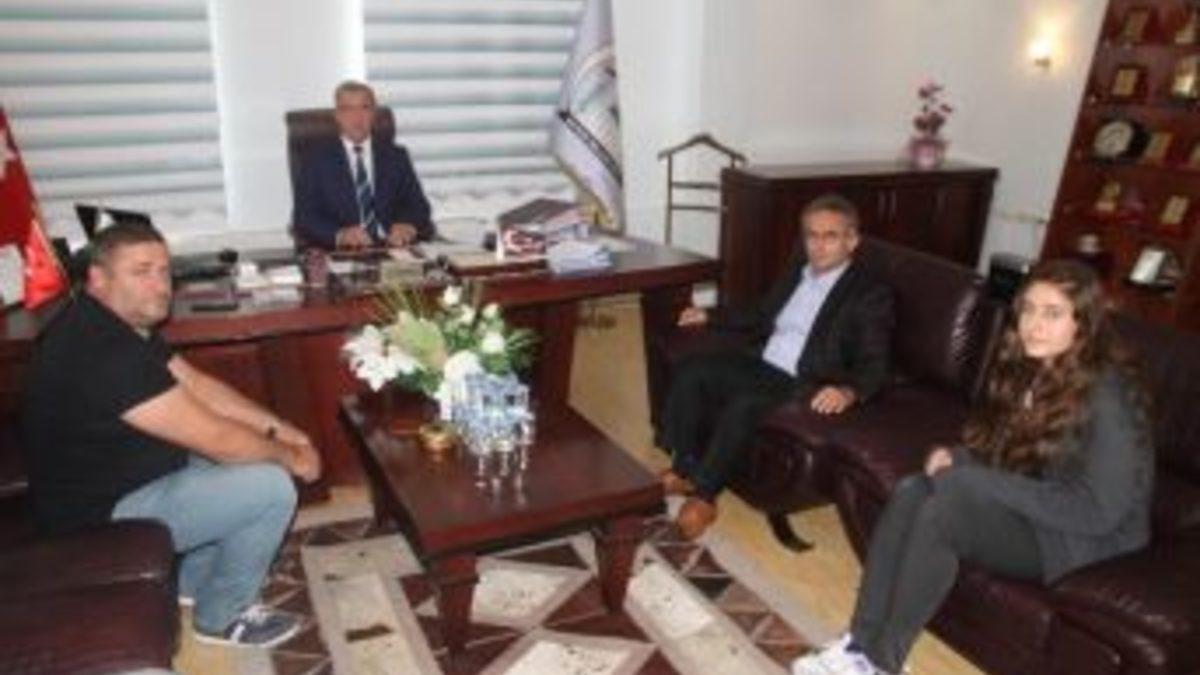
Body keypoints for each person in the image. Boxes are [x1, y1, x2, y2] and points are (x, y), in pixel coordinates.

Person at [792, 260, 1154, 675]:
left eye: (1053, 313)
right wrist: (961, 458)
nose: (1034, 325)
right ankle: (860, 641)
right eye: (1028, 309)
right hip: (1040, 507)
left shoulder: (1110, 398)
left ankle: (881, 662)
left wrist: (982, 481)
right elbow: (1012, 451)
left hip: (1084, 538)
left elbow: (1098, 512)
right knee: (914, 489)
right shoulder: (1035, 367)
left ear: (1083, 324)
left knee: (945, 511)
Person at [22, 222, 323, 648]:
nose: (160, 285)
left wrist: (284, 431)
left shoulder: (115, 322)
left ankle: (193, 582)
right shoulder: (101, 350)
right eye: (141, 271)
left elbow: (197, 386)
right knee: (269, 487)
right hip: (96, 520)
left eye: (164, 271)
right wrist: (291, 457)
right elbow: (218, 439)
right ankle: (222, 615)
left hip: (127, 477)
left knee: (248, 456)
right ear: (98, 278)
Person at [659, 194, 895, 540]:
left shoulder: (869, 293)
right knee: (693, 371)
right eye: (812, 235)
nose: (818, 245)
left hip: (803, 378)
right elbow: (761, 312)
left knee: (744, 404)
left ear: (852, 241)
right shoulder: (799, 270)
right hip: (763, 360)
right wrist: (710, 315)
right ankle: (684, 469)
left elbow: (875, 362)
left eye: (830, 236)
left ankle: (705, 496)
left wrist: (848, 391)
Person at [292, 79, 433, 251]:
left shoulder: (396, 156)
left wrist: (407, 226)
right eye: (348, 109)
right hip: (343, 252)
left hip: (393, 248)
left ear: (373, 114)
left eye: (364, 108)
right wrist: (341, 235)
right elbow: (304, 217)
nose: (357, 117)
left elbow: (419, 206)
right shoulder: (315, 159)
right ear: (337, 115)